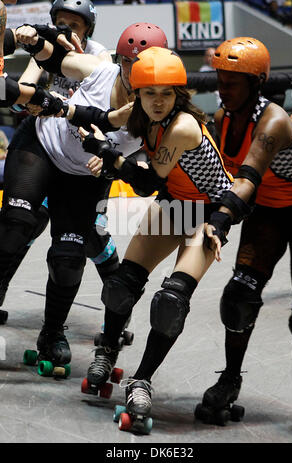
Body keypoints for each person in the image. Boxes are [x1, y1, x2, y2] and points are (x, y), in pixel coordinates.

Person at [77, 46, 235, 425]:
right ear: (137, 94)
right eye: (150, 93)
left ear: (179, 95)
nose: (159, 101)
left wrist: (108, 155)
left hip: (206, 215)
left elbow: (146, 182)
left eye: (167, 93)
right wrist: (53, 108)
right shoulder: (137, 113)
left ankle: (141, 381)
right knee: (121, 285)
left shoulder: (181, 126)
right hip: (174, 203)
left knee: (170, 302)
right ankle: (107, 349)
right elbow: (97, 115)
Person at [0, 23, 169, 369]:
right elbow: (54, 58)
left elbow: (147, 184)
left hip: (81, 179)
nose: (136, 76)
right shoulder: (100, 71)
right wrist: (34, 39)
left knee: (68, 259)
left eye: (146, 71)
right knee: (17, 224)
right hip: (41, 148)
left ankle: (51, 334)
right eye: (129, 65)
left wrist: (113, 163)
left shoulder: (158, 115)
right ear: (120, 61)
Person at [196, 37, 292, 423]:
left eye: (232, 82)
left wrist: (220, 220)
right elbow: (221, 178)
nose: (222, 89)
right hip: (269, 214)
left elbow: (249, 175)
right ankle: (229, 381)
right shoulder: (223, 120)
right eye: (220, 80)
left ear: (256, 84)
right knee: (239, 297)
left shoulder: (273, 120)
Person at [0, 0, 112, 320]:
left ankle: (116, 311)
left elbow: (103, 97)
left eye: (73, 26)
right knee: (20, 225)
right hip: (45, 146)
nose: (66, 30)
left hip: (84, 159)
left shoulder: (99, 55)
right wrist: (27, 101)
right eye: (60, 22)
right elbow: (29, 84)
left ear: (87, 30)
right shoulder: (48, 46)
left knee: (86, 243)